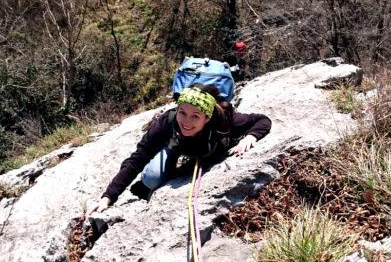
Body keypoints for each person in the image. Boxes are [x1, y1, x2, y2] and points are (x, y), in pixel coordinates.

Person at [89, 85, 272, 212]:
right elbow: (138, 157)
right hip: (177, 147)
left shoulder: (223, 120)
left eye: (195, 116)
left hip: (203, 151)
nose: (186, 122)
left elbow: (262, 120)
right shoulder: (167, 122)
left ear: (207, 118)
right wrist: (108, 196)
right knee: (152, 178)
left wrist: (251, 136)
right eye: (182, 112)